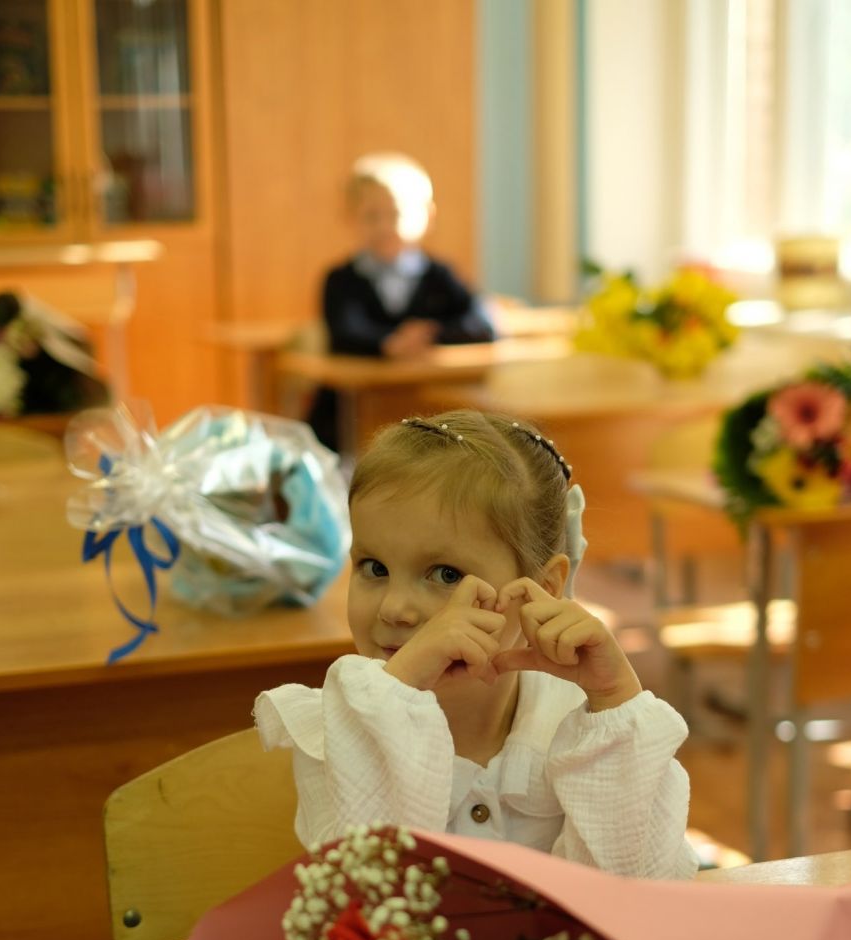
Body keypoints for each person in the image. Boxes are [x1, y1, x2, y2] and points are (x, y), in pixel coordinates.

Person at [254, 410, 698, 879]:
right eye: (374, 568)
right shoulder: (348, 727)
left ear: (542, 588)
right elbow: (370, 892)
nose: (395, 609)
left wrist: (614, 699)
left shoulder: (582, 727)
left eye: (445, 574)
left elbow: (636, 892)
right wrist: (397, 691)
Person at [309, 152, 496, 451]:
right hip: (348, 419)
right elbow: (344, 333)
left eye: (396, 214)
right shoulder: (340, 279)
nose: (385, 226)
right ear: (350, 217)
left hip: (428, 412)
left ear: (427, 216)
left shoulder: (440, 275)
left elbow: (483, 324)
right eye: (372, 216)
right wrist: (388, 343)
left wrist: (432, 334)